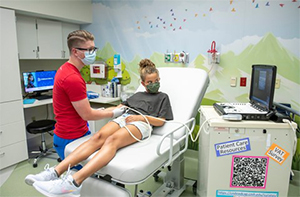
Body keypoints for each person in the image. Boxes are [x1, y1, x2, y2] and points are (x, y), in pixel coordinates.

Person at [26, 58, 173, 197]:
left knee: (112, 140)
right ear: (143, 83)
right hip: (124, 118)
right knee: (97, 137)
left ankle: (74, 182)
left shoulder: (163, 97)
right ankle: (54, 172)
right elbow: (120, 107)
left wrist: (139, 118)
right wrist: (105, 111)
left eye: (156, 81)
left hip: (142, 123)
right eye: (149, 82)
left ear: (159, 80)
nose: (154, 84)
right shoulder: (137, 95)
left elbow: (160, 121)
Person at [25, 30, 124, 185]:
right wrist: (112, 113)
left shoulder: (64, 69)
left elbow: (80, 110)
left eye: (94, 49)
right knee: (83, 181)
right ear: (75, 51)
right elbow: (86, 114)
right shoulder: (73, 78)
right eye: (89, 50)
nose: (93, 53)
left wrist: (101, 111)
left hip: (64, 135)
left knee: (78, 178)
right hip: (72, 138)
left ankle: (55, 176)